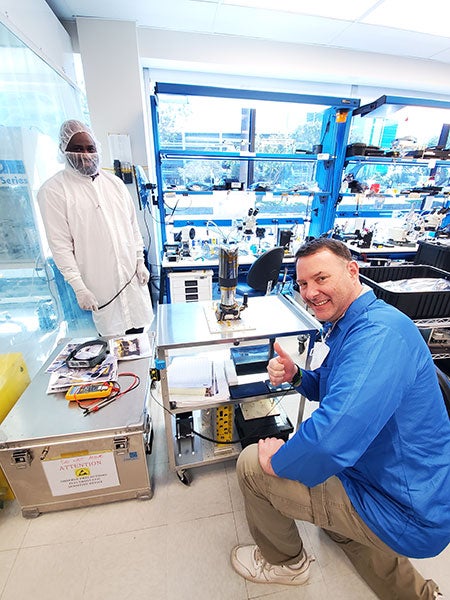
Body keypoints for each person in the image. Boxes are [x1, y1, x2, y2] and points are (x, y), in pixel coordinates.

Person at [231, 237, 450, 600]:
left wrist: (277, 462)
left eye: (321, 278)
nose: (310, 292)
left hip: (404, 507)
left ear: (352, 271)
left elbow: (329, 439)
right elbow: (336, 386)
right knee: (338, 515)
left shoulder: (378, 336)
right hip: (390, 481)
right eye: (302, 284)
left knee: (251, 466)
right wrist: (296, 375)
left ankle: (287, 565)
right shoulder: (355, 322)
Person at [37, 119, 154, 337]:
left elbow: (133, 227)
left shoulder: (115, 184)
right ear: (64, 151)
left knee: (139, 338)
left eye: (90, 148)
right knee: (111, 344)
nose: (86, 155)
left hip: (131, 280)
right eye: (77, 149)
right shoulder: (53, 191)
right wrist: (79, 287)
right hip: (100, 286)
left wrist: (140, 261)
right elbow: (60, 246)